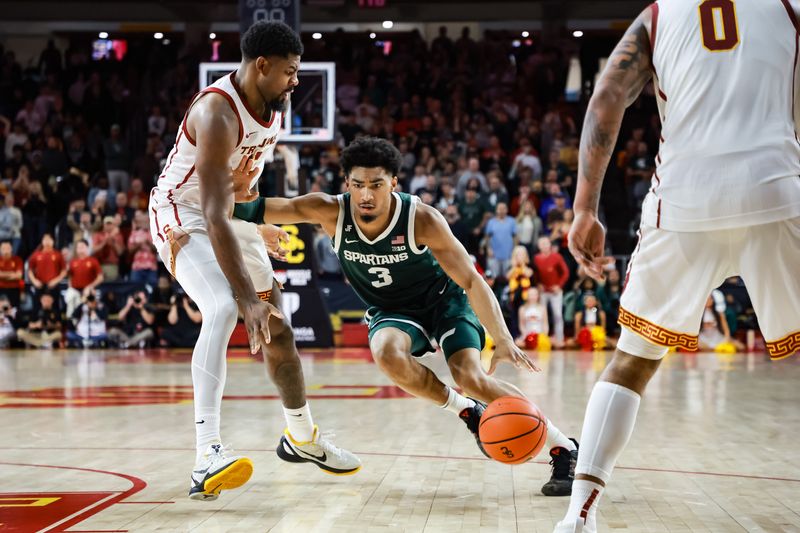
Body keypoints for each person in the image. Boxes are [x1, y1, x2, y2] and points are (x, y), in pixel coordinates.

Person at [556, 2, 800, 531]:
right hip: (778, 192)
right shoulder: (790, 9)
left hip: (685, 203)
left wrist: (583, 210)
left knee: (633, 360)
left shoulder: (659, 15)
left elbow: (606, 98)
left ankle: (579, 514)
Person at [234, 137, 579, 496]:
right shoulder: (329, 210)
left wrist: (504, 339)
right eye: (358, 185)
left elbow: (472, 280)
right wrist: (240, 197)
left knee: (471, 376)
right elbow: (246, 209)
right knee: (385, 351)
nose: (366, 195)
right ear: (346, 184)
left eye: (376, 185)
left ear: (394, 183)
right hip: (392, 310)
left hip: (444, 301)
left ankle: (563, 447)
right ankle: (466, 411)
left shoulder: (422, 218)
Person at [147, 21, 359, 501]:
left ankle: (302, 437)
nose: (296, 81)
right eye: (289, 71)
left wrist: (257, 224)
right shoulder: (218, 113)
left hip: (225, 215)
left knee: (278, 325)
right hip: (182, 215)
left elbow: (239, 193)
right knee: (225, 307)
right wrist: (247, 297)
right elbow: (214, 215)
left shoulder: (273, 110)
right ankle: (206, 456)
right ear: (261, 66)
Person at [533, 237, 569, 349]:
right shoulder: (536, 258)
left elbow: (565, 273)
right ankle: (543, 337)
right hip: (543, 291)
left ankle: (559, 338)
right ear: (539, 246)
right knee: (542, 315)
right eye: (541, 244)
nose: (544, 246)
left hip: (555, 291)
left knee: (557, 315)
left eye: (546, 243)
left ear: (550, 245)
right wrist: (538, 284)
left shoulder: (556, 257)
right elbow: (535, 274)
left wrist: (559, 285)